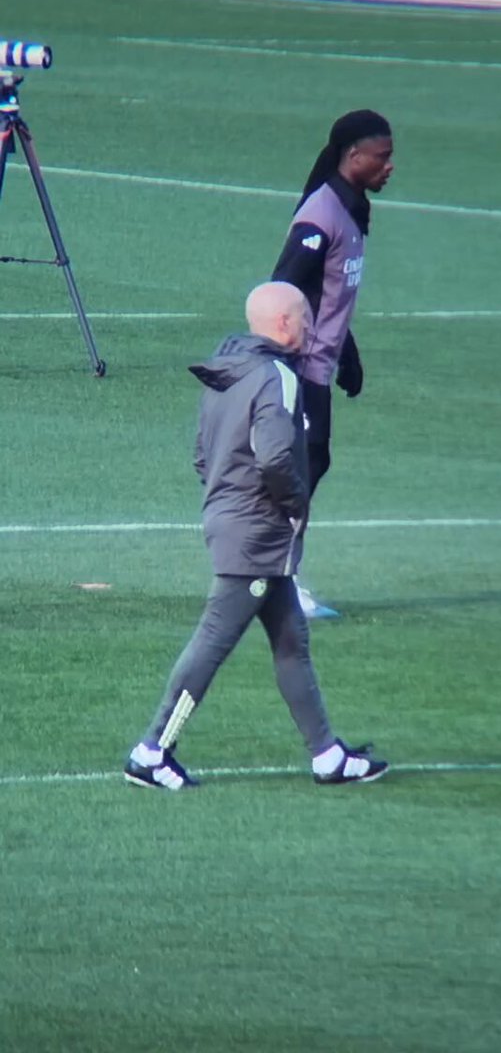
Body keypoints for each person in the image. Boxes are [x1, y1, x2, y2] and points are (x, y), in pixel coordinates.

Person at [124, 281, 388, 790]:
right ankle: (151, 751)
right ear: (285, 323)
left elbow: (202, 455)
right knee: (213, 641)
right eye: (306, 317)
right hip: (258, 531)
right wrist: (295, 504)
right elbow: (274, 457)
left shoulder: (228, 372)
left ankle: (327, 755)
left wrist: (232, 497)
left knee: (291, 641)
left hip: (234, 519)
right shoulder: (276, 377)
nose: (311, 326)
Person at [271, 109, 394, 618]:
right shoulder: (320, 216)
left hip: (321, 365)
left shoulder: (351, 208)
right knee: (299, 472)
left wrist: (347, 349)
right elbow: (283, 288)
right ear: (353, 156)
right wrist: (287, 366)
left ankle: (273, 577)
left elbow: (330, 293)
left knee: (309, 467)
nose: (389, 166)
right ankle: (278, 583)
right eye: (381, 157)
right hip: (301, 369)